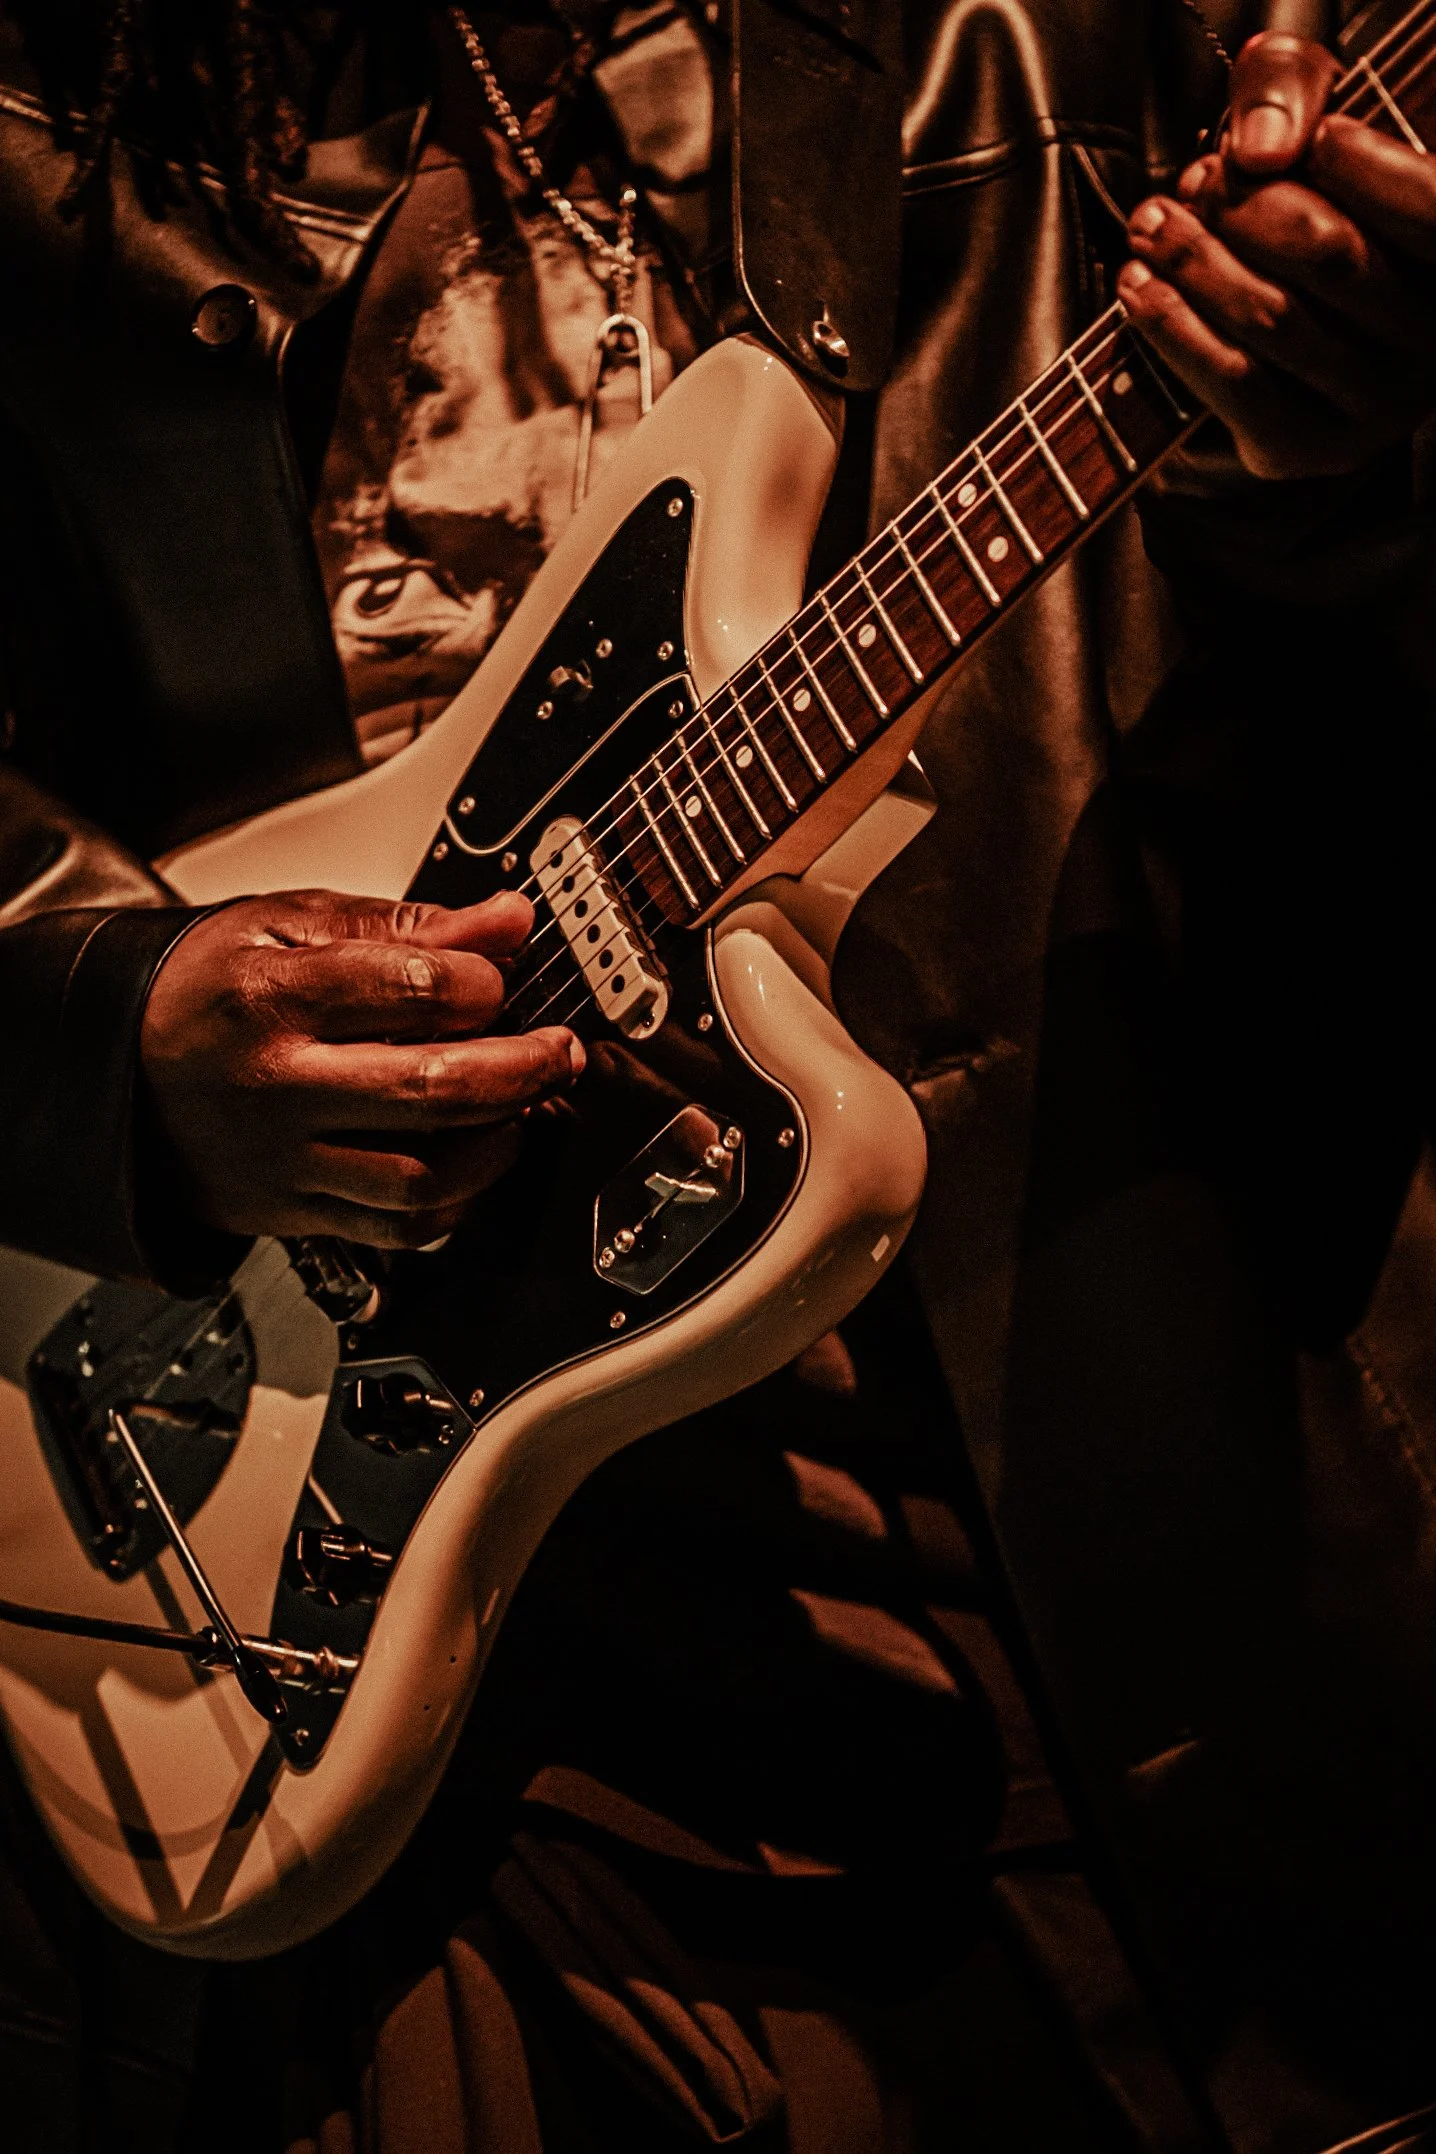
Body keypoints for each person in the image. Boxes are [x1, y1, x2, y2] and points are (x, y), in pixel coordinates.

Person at [1, 2, 1436, 2149]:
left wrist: (1332, 503)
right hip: (380, 1614)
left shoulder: (1012, 48)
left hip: (1043, 1525)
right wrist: (101, 1047)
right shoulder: (56, 125)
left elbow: (1316, 864)